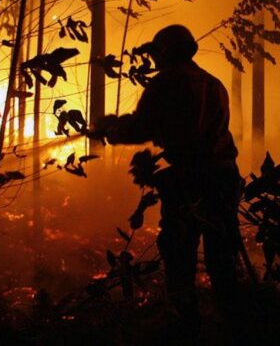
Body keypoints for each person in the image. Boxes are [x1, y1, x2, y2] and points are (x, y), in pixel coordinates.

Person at [94, 24, 241, 336]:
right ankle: (234, 322)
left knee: (179, 252)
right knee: (222, 255)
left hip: (191, 180)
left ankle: (184, 325)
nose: (154, 58)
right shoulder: (214, 84)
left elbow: (141, 127)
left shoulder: (168, 82)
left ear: (168, 51)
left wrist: (110, 129)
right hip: (224, 176)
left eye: (157, 51)